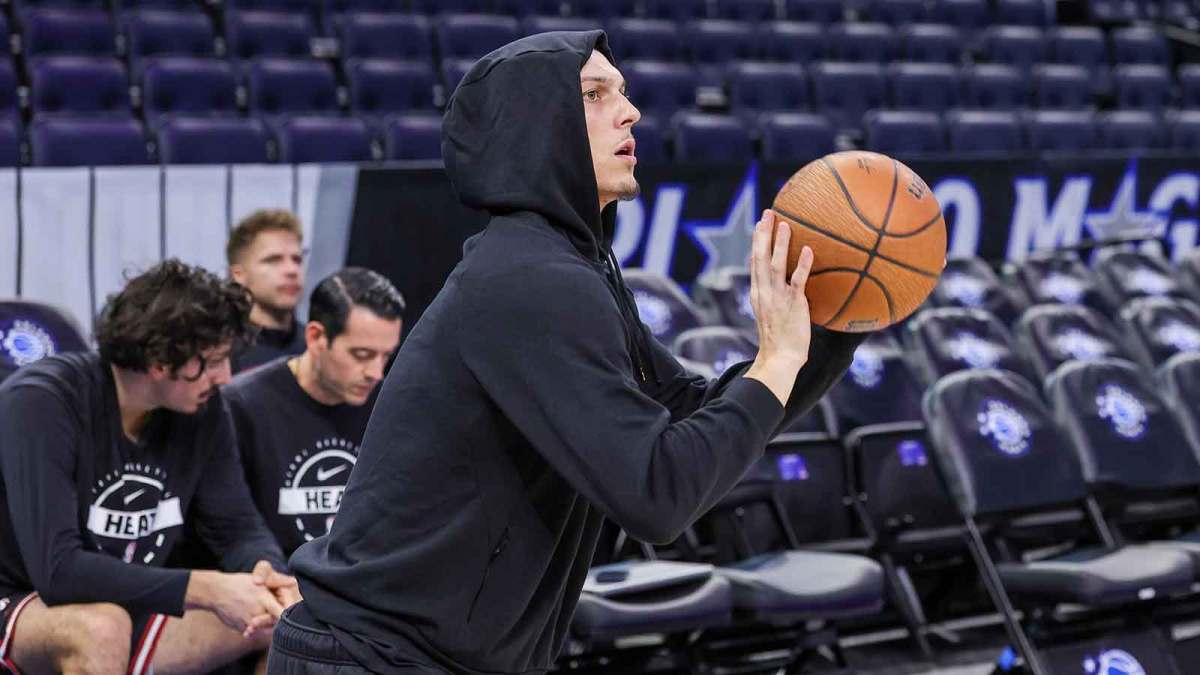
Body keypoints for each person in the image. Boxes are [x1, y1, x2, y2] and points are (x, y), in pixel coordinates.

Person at [269, 31, 865, 675]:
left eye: (625, 91)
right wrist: (774, 361)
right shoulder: (529, 279)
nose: (630, 110)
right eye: (595, 93)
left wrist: (832, 330)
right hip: (376, 659)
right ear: (536, 128)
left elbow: (691, 413)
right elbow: (658, 495)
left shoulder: (573, 268)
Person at [0, 260, 302, 675]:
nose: (226, 377)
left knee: (290, 614)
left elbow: (236, 526)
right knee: (101, 627)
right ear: (160, 360)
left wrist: (266, 573)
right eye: (213, 361)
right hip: (22, 594)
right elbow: (58, 572)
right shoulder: (41, 403)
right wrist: (205, 588)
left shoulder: (202, 408)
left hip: (127, 601)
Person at [227, 268, 404, 557]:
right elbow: (234, 528)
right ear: (316, 336)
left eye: (386, 356)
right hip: (278, 582)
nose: (375, 373)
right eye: (361, 355)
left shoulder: (390, 402)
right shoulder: (242, 404)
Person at [227, 209, 307, 374]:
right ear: (238, 275)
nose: (292, 270)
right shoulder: (220, 354)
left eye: (297, 259)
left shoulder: (319, 348)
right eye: (273, 260)